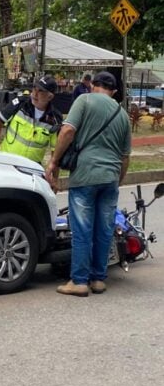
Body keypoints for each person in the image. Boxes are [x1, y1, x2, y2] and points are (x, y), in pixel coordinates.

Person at [45, 71, 132, 297]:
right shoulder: (122, 114)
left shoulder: (83, 100)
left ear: (92, 85)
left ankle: (79, 281)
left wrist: (54, 162)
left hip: (85, 175)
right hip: (110, 178)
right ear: (113, 92)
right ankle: (98, 279)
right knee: (104, 230)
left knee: (82, 230)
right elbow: (125, 157)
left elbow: (68, 130)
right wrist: (117, 179)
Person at [0, 75, 63, 164]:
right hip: (6, 161)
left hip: (31, 168)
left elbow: (55, 150)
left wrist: (53, 171)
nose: (35, 94)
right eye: (35, 88)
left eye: (40, 91)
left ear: (50, 97)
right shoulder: (20, 104)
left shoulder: (55, 119)